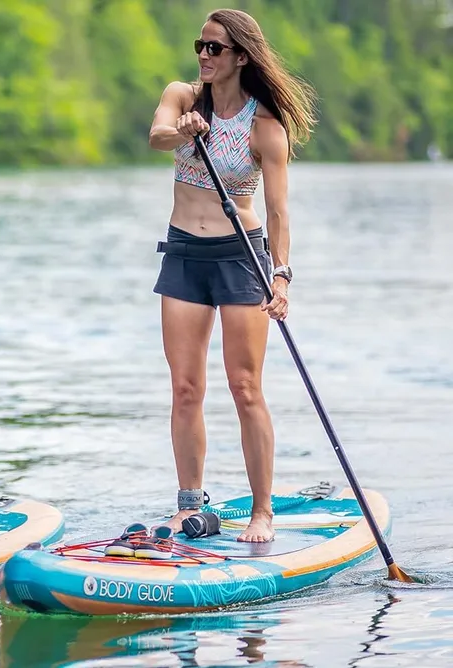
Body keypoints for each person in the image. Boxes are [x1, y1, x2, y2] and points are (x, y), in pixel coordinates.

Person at [148, 8, 316, 542]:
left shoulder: (265, 127)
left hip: (241, 258)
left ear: (241, 57)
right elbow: (157, 136)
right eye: (200, 45)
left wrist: (281, 277)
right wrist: (182, 130)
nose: (204, 55)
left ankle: (262, 511)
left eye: (215, 48)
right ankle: (188, 504)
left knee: (245, 387)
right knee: (185, 388)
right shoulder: (183, 97)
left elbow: (279, 212)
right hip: (184, 254)